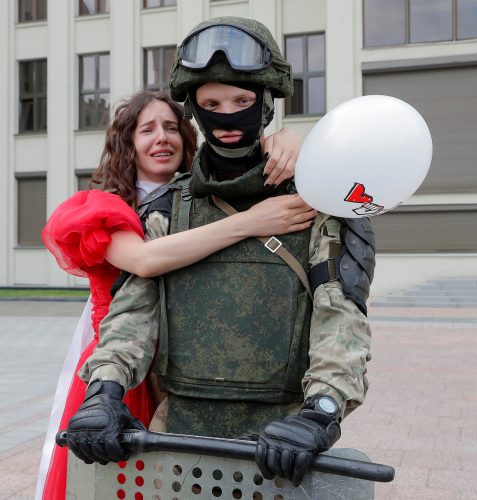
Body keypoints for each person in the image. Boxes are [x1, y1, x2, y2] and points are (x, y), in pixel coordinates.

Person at [65, 16, 375, 487]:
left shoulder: (315, 201)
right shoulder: (167, 209)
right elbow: (132, 315)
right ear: (193, 108)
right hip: (178, 440)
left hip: (282, 441)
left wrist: (320, 413)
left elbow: (341, 318)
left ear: (266, 104)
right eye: (211, 103)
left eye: (242, 101)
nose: (227, 115)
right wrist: (104, 391)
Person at [36, 89, 314, 500]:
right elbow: (145, 261)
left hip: (186, 364)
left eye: (171, 127)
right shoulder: (105, 208)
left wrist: (288, 138)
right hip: (124, 372)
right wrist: (253, 222)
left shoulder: (201, 200)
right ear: (126, 143)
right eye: (146, 129)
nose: (161, 138)